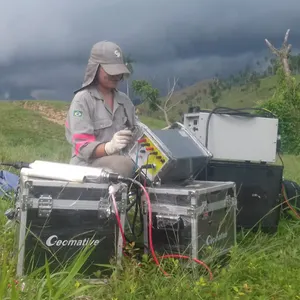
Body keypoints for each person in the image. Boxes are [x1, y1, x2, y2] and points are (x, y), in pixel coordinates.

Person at [65, 40, 136, 178]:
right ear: (96, 69)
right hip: (87, 166)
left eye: (118, 72)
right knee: (123, 165)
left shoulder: (124, 101)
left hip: (119, 162)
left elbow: (136, 131)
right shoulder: (83, 100)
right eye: (111, 71)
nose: (116, 76)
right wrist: (109, 147)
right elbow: (83, 147)